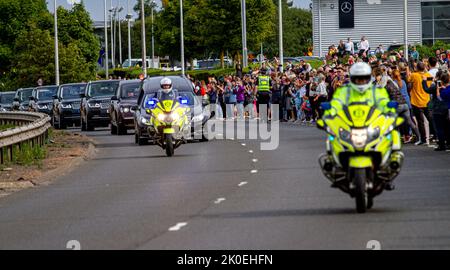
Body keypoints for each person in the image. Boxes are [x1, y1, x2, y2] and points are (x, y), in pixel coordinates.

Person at [324, 62, 400, 190]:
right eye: (358, 79)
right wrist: (330, 114)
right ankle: (334, 165)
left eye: (364, 78)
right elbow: (336, 104)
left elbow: (384, 103)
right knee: (332, 136)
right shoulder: (344, 92)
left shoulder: (376, 91)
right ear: (353, 79)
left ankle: (391, 165)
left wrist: (389, 111)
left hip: (369, 124)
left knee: (392, 134)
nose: (361, 81)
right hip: (351, 125)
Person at [407, 62, 435, 145]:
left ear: (417, 68)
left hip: (416, 102)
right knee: (430, 119)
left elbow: (408, 80)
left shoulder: (414, 75)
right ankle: (435, 136)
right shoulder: (428, 75)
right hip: (426, 100)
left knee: (420, 122)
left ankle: (423, 139)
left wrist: (408, 69)